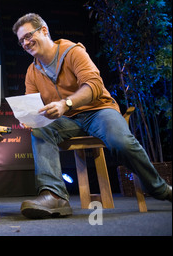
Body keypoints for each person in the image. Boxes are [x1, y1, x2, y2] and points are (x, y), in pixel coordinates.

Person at [12, 13, 171, 219]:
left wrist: (66, 103)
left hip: (98, 110)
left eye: (28, 36)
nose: (25, 43)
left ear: (43, 31)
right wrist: (29, 117)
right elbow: (32, 104)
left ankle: (159, 188)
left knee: (120, 142)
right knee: (41, 130)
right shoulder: (32, 71)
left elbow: (94, 86)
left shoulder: (73, 52)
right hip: (68, 120)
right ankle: (54, 195)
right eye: (21, 40)